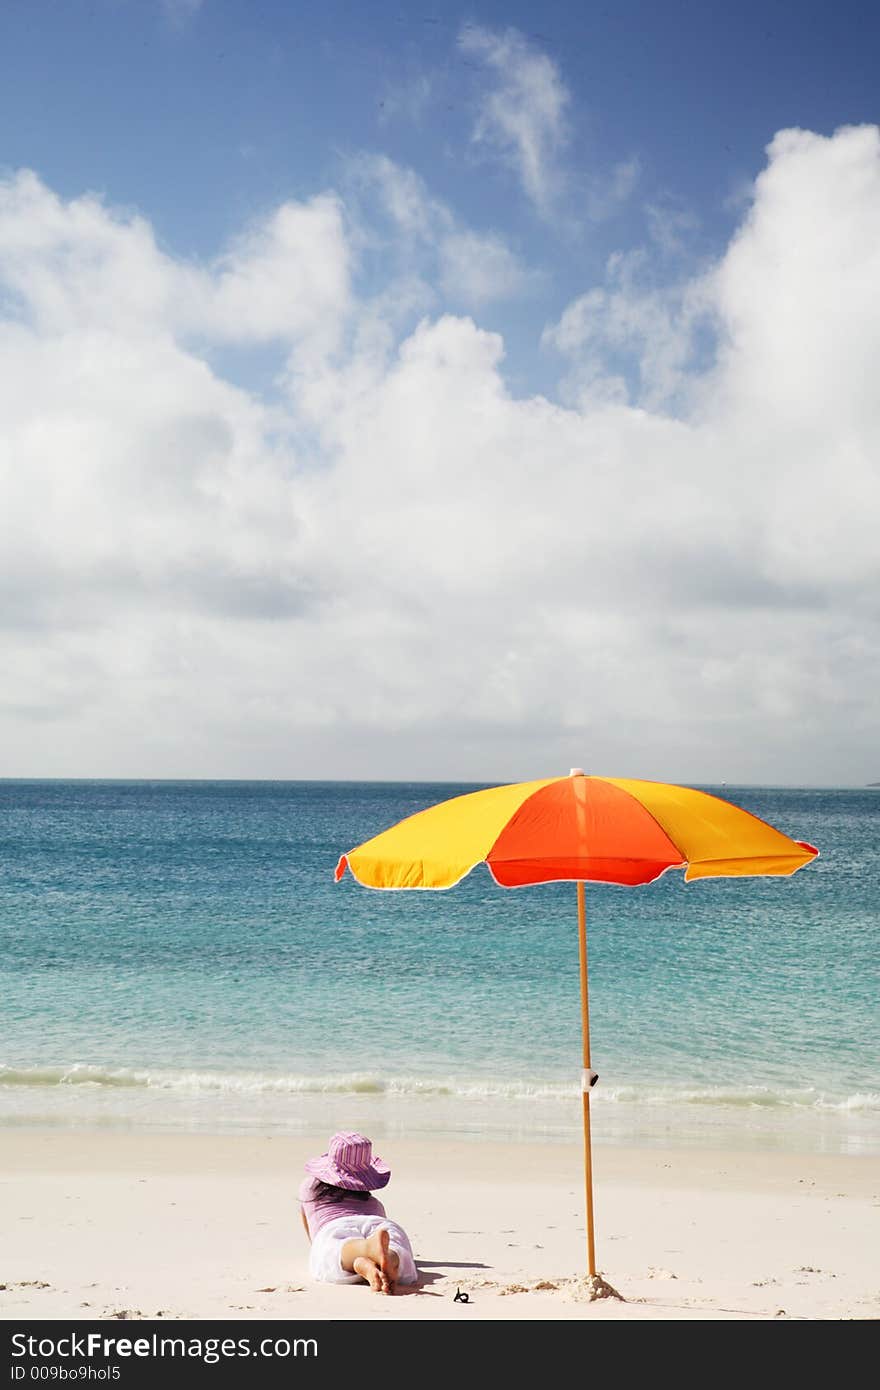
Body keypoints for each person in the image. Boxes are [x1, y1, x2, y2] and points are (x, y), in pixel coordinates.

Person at [298, 1131, 418, 1293]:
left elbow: (307, 1220)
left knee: (337, 1249)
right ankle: (385, 1258)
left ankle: (363, 1255)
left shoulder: (310, 1189)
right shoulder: (375, 1205)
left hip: (334, 1226)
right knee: (397, 1251)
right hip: (379, 1224)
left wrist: (317, 1248)